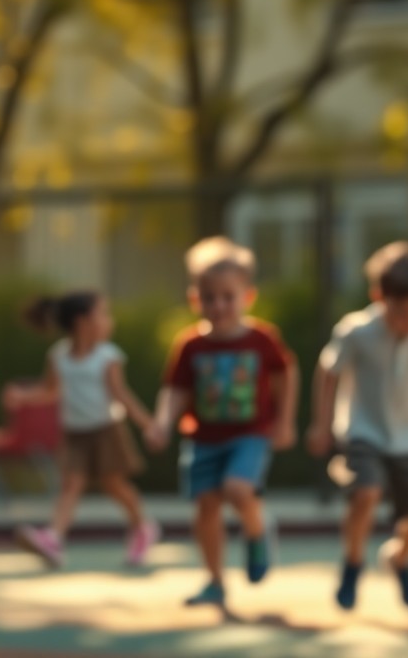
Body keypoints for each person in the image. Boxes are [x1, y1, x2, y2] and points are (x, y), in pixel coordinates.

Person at [306, 241, 408, 611]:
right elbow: (328, 372)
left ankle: (399, 560)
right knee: (367, 492)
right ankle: (354, 562)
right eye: (400, 311)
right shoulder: (357, 331)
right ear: (379, 297)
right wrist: (321, 424)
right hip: (364, 431)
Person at [146, 236, 297, 609]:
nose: (219, 305)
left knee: (238, 489)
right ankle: (215, 581)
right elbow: (176, 391)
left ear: (247, 296)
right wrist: (163, 421)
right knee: (206, 510)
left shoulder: (262, 339)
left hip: (250, 434)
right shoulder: (191, 345)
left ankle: (257, 531)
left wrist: (285, 420)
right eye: (209, 297)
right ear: (195, 298)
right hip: (204, 439)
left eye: (228, 296)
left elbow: (285, 376)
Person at [13, 290, 160, 568]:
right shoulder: (58, 356)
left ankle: (142, 527)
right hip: (74, 433)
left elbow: (121, 395)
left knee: (114, 485)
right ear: (82, 322)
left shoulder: (108, 357)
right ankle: (53, 538)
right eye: (103, 314)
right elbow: (50, 391)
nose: (109, 321)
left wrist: (149, 425)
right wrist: (24, 397)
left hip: (105, 430)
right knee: (71, 485)